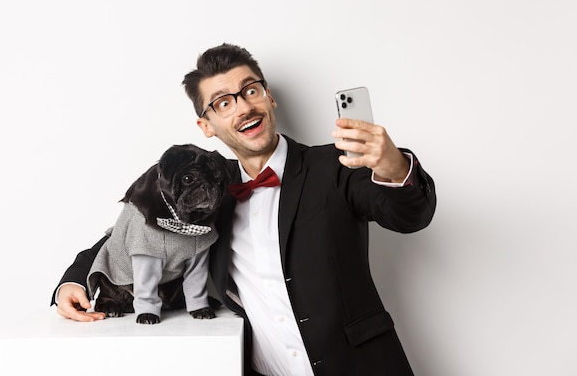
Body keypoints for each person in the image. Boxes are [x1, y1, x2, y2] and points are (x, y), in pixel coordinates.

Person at [52, 43, 437, 376]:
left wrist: (394, 167)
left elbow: (409, 216)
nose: (243, 107)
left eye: (250, 90)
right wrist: (74, 279)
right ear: (206, 125)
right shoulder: (207, 190)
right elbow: (133, 230)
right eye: (223, 102)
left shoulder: (336, 165)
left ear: (269, 97)